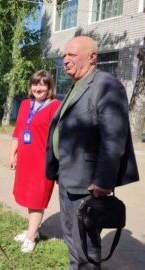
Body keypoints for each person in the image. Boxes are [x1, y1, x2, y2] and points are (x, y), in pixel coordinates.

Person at [45, 36, 139, 269]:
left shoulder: (106, 85)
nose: (65, 60)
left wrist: (103, 181)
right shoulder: (76, 87)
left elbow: (114, 137)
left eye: (72, 54)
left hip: (88, 184)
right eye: (64, 55)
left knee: (86, 247)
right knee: (72, 239)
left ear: (92, 56)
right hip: (68, 177)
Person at [9, 70, 61, 253]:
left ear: (49, 87)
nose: (38, 88)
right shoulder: (24, 104)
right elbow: (18, 131)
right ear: (31, 86)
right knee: (29, 196)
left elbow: (60, 137)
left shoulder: (55, 106)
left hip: (43, 162)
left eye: (43, 84)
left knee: (38, 198)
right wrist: (12, 154)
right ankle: (33, 230)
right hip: (25, 160)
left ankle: (31, 237)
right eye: (35, 84)